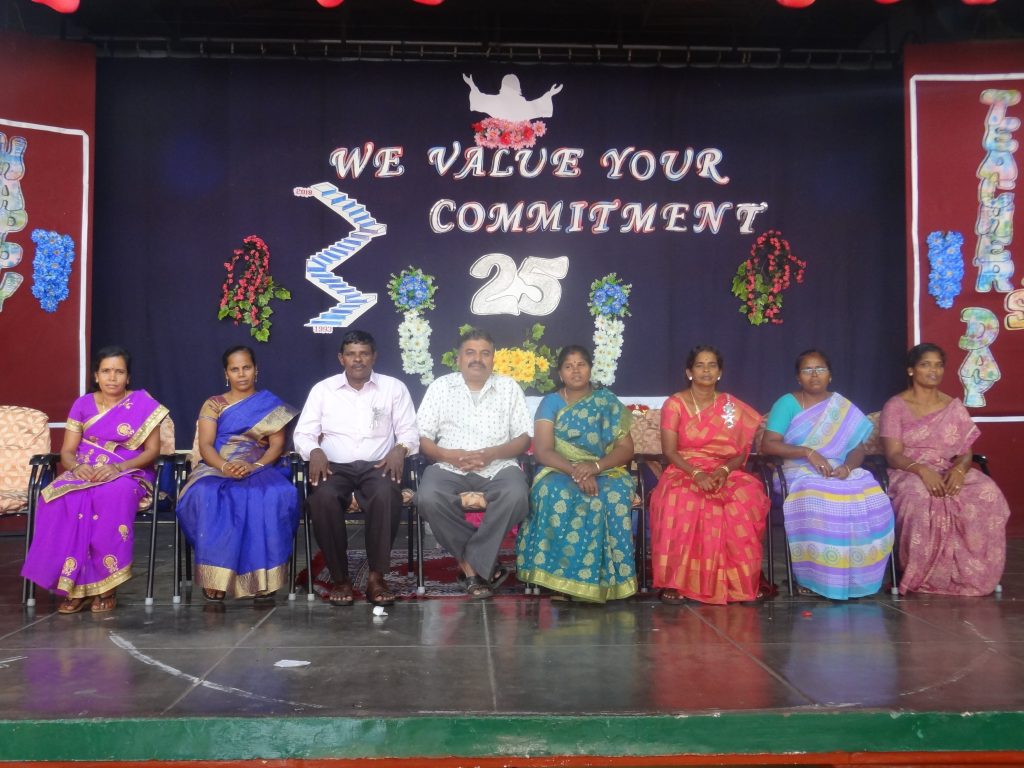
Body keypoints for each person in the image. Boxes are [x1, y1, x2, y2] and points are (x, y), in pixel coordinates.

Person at [21, 345, 167, 614]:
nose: (112, 377)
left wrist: (118, 467)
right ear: (96, 376)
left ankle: (105, 588)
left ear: (128, 377)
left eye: (119, 372)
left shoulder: (144, 405)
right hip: (85, 471)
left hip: (129, 472)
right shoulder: (83, 404)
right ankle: (73, 587)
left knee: (109, 495)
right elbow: (67, 451)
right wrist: (77, 467)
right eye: (106, 371)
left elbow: (152, 452)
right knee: (57, 498)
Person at [294, 330, 419, 606]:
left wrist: (400, 449)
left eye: (364, 353)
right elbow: (303, 433)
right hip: (333, 467)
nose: (358, 360)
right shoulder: (323, 390)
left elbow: (409, 431)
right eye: (351, 354)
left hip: (378, 465)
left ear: (374, 357)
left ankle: (376, 577)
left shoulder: (393, 388)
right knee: (322, 498)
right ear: (341, 358)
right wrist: (314, 450)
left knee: (386, 494)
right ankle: (341, 578)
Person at [761, 349, 895, 600]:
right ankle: (815, 579)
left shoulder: (841, 406)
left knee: (874, 498)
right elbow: (768, 444)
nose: (814, 375)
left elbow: (857, 448)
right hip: (797, 472)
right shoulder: (787, 403)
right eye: (807, 370)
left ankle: (854, 579)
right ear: (798, 377)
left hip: (839, 470)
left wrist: (848, 468)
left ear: (830, 375)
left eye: (820, 369)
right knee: (823, 498)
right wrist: (807, 452)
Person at [880, 343, 1010, 596]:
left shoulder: (953, 406)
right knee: (919, 497)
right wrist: (922, 471)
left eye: (938, 365)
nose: (933, 371)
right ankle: (923, 575)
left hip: (947, 468)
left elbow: (966, 453)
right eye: (925, 365)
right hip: (908, 471)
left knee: (988, 492)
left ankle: (975, 573)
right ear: (911, 370)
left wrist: (959, 471)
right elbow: (893, 455)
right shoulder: (896, 406)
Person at [176, 346, 299, 602]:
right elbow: (206, 445)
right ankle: (215, 577)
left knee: (273, 494)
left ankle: (263, 580)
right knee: (206, 493)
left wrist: (255, 466)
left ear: (256, 370)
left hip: (260, 466)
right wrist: (224, 467)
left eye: (246, 367)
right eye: (235, 369)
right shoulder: (214, 404)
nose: (241, 374)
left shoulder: (271, 405)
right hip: (217, 466)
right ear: (226, 373)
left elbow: (276, 446)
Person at [416, 328, 532, 599]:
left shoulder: (509, 388)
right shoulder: (441, 387)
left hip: (498, 465)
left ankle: (471, 567)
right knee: (428, 498)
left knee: (517, 495)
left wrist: (492, 454)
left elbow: (523, 438)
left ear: (493, 358)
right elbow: (422, 438)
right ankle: (479, 567)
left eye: (484, 353)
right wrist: (448, 455)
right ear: (458, 358)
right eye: (470, 353)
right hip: (449, 465)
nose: (477, 359)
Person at [648, 345, 769, 605]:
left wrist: (723, 471)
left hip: (724, 469)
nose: (706, 370)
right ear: (689, 372)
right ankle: (677, 582)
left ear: (720, 372)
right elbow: (669, 451)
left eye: (712, 365)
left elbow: (740, 452)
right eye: (700, 365)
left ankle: (737, 582)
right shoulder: (675, 404)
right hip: (684, 468)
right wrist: (696, 474)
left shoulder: (731, 406)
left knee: (744, 498)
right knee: (682, 499)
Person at [516, 345, 637, 602]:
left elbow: (626, 449)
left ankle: (606, 584)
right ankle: (561, 581)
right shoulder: (551, 403)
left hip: (605, 469)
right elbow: (543, 451)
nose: (575, 371)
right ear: (561, 374)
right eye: (568, 366)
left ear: (590, 369)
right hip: (560, 468)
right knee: (555, 492)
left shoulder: (607, 402)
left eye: (581, 364)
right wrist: (577, 472)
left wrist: (595, 467)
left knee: (612, 495)